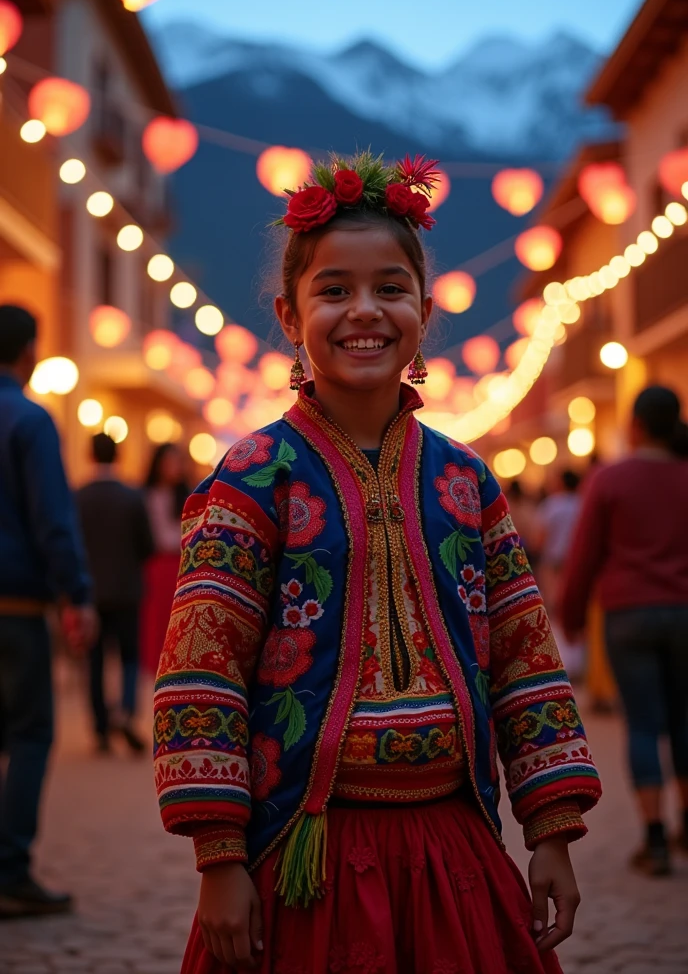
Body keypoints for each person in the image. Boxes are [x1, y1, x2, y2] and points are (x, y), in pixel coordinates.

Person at [153, 153, 601, 974]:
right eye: (335, 290)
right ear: (290, 316)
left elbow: (524, 661)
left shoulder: (467, 483)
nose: (365, 311)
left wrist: (552, 832)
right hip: (304, 851)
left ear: (424, 313)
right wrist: (219, 860)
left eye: (390, 288)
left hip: (453, 853)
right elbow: (201, 669)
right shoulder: (254, 479)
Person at [561, 385, 688, 877]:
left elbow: (585, 555)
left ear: (635, 425)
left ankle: (654, 839)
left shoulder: (611, 480)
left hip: (629, 614)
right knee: (683, 720)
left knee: (643, 724)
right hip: (684, 612)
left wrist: (570, 616)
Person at [0, 304, 96, 917]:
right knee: (30, 732)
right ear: (29, 350)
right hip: (14, 606)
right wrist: (77, 594)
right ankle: (10, 870)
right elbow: (53, 522)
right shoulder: (29, 421)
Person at [76, 432, 155, 754]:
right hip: (126, 589)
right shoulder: (132, 497)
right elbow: (147, 546)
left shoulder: (77, 497)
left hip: (91, 591)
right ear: (117, 455)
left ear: (90, 455)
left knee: (94, 661)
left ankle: (100, 728)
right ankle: (124, 710)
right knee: (129, 657)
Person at [140, 443, 189, 675]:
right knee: (156, 619)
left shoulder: (188, 495)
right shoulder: (146, 495)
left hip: (181, 563)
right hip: (156, 564)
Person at [534, 470, 584, 681]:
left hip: (555, 564)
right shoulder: (582, 503)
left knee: (555, 609)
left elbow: (540, 538)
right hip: (577, 562)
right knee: (577, 607)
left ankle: (563, 661)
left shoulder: (552, 505)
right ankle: (581, 660)